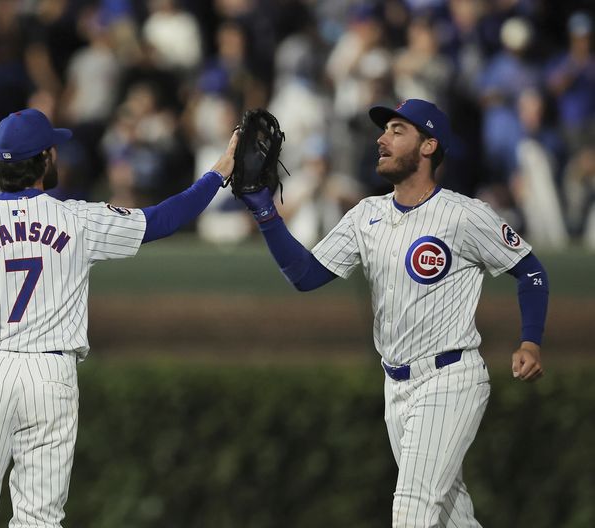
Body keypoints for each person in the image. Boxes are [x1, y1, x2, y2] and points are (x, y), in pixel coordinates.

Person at [0, 108, 237, 527]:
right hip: (51, 379)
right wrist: (219, 171)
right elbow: (162, 220)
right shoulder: (77, 220)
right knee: (39, 520)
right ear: (45, 158)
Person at [235, 99, 549, 527]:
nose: (382, 139)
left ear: (428, 145)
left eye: (398, 130)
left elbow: (531, 272)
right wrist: (264, 209)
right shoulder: (368, 214)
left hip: (449, 377)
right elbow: (305, 275)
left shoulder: (463, 215)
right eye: (384, 131)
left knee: (412, 511)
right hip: (396, 386)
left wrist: (530, 339)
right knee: (452, 519)